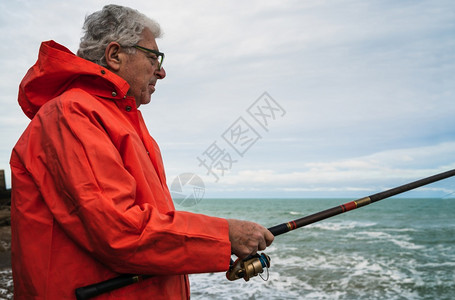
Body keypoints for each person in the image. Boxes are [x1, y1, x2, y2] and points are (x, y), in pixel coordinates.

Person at [10, 4, 274, 299]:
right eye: (153, 57)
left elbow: (141, 223)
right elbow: (119, 230)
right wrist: (224, 235)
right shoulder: (72, 113)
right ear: (114, 55)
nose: (161, 72)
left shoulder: (117, 118)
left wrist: (215, 244)